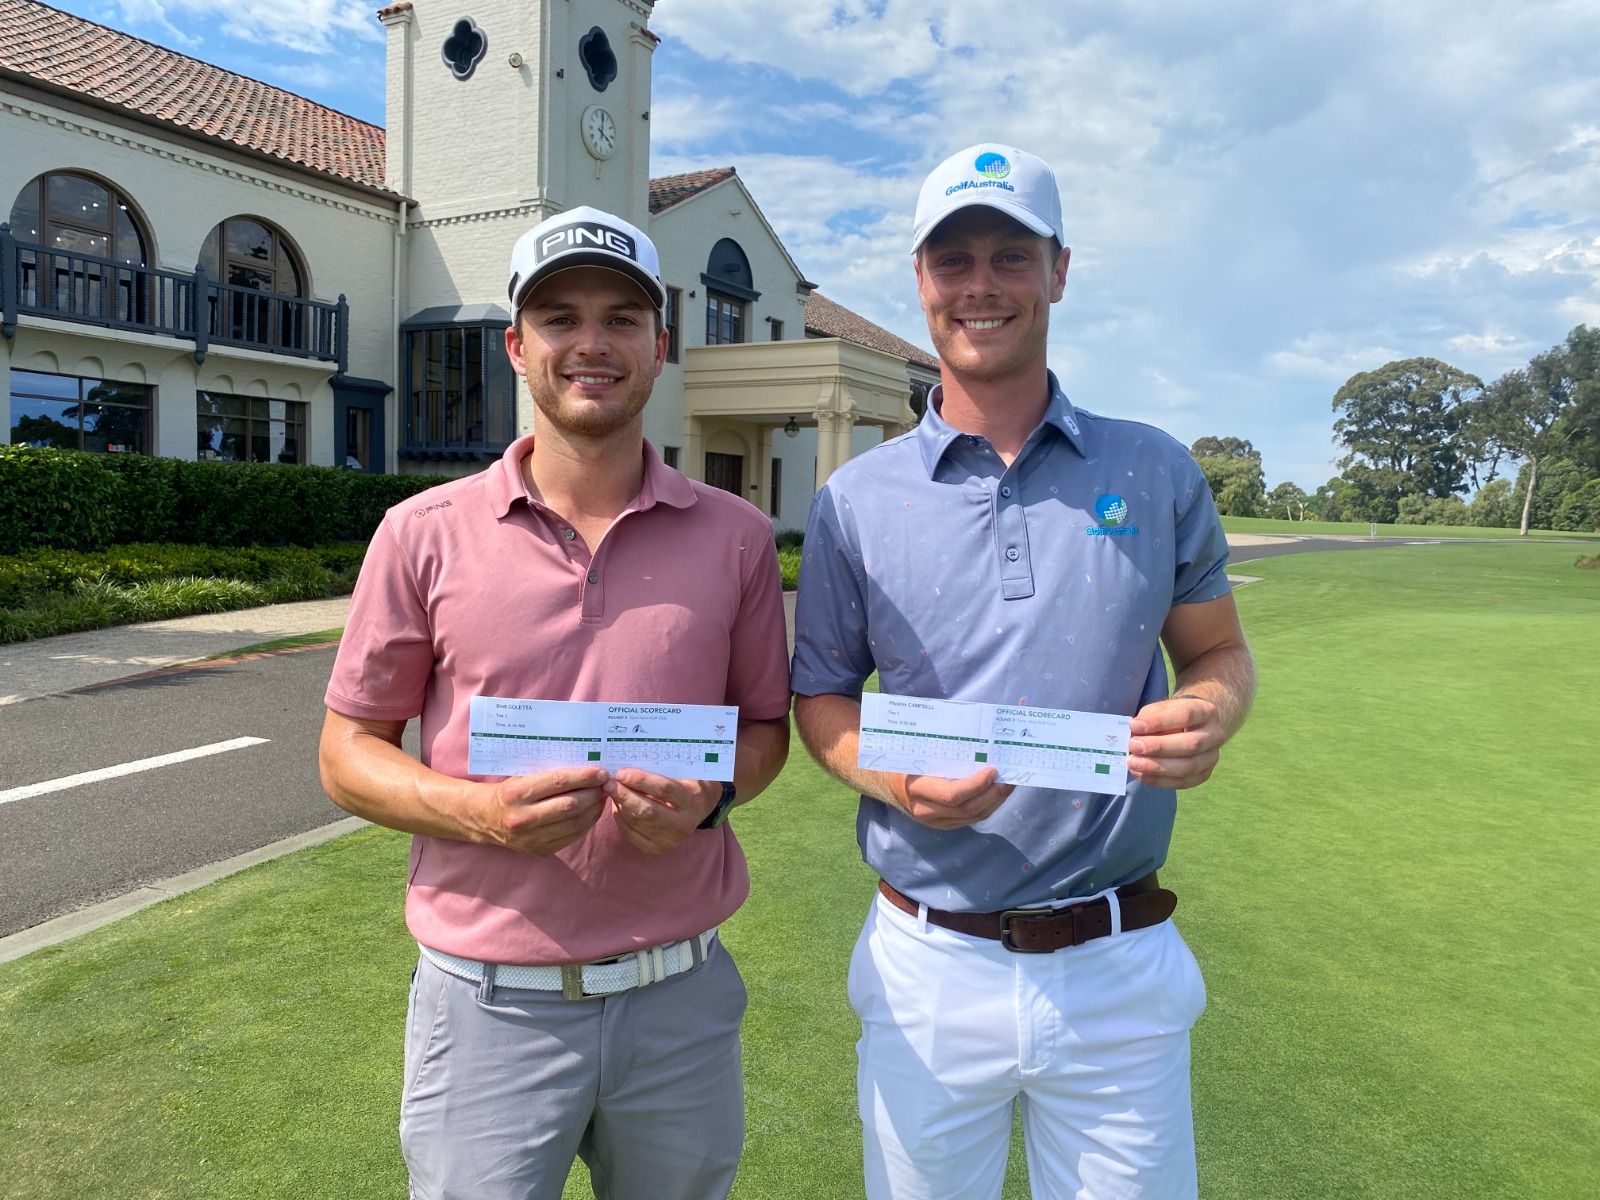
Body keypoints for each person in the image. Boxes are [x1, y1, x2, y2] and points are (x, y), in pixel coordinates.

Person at [791, 144, 1257, 1199]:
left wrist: (1207, 712)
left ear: (1058, 270)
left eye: (1011, 254)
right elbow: (818, 699)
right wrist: (894, 782)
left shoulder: (1152, 468)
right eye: (952, 259)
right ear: (920, 281)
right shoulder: (855, 501)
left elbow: (1217, 652)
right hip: (927, 961)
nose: (980, 285)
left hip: (1116, 962)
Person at [318, 205, 791, 1200]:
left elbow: (761, 729)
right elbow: (348, 751)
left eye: (622, 318)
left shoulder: (737, 537)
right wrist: (474, 811)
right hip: (488, 1007)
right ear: (517, 346)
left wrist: (713, 798)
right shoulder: (420, 532)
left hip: (679, 999)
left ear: (660, 347)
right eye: (560, 317)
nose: (591, 343)